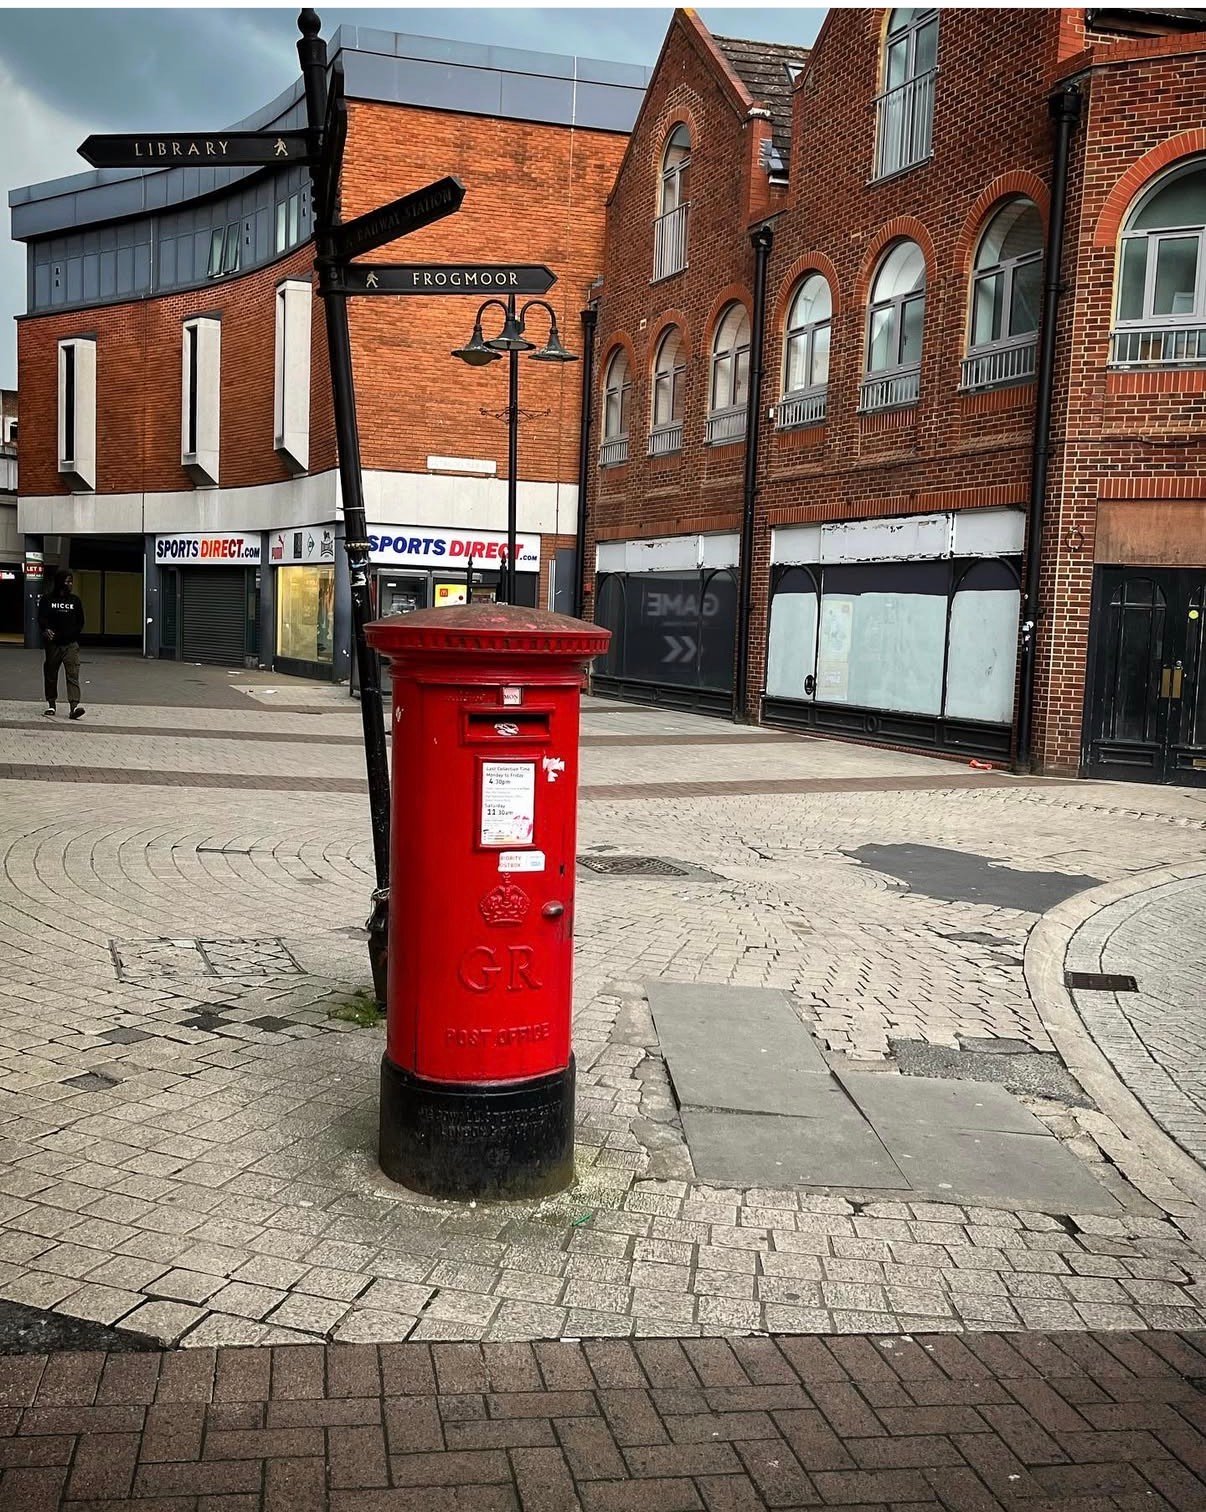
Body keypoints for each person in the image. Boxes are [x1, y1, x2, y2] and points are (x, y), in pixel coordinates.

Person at [37, 569, 86, 719]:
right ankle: (51, 704)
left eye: (71, 581)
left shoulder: (75, 601)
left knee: (73, 674)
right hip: (53, 645)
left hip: (70, 644)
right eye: (66, 581)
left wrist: (73, 636)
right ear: (59, 582)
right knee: (51, 674)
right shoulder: (47, 600)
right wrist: (46, 630)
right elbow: (41, 618)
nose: (69, 584)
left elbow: (80, 621)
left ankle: (74, 706)